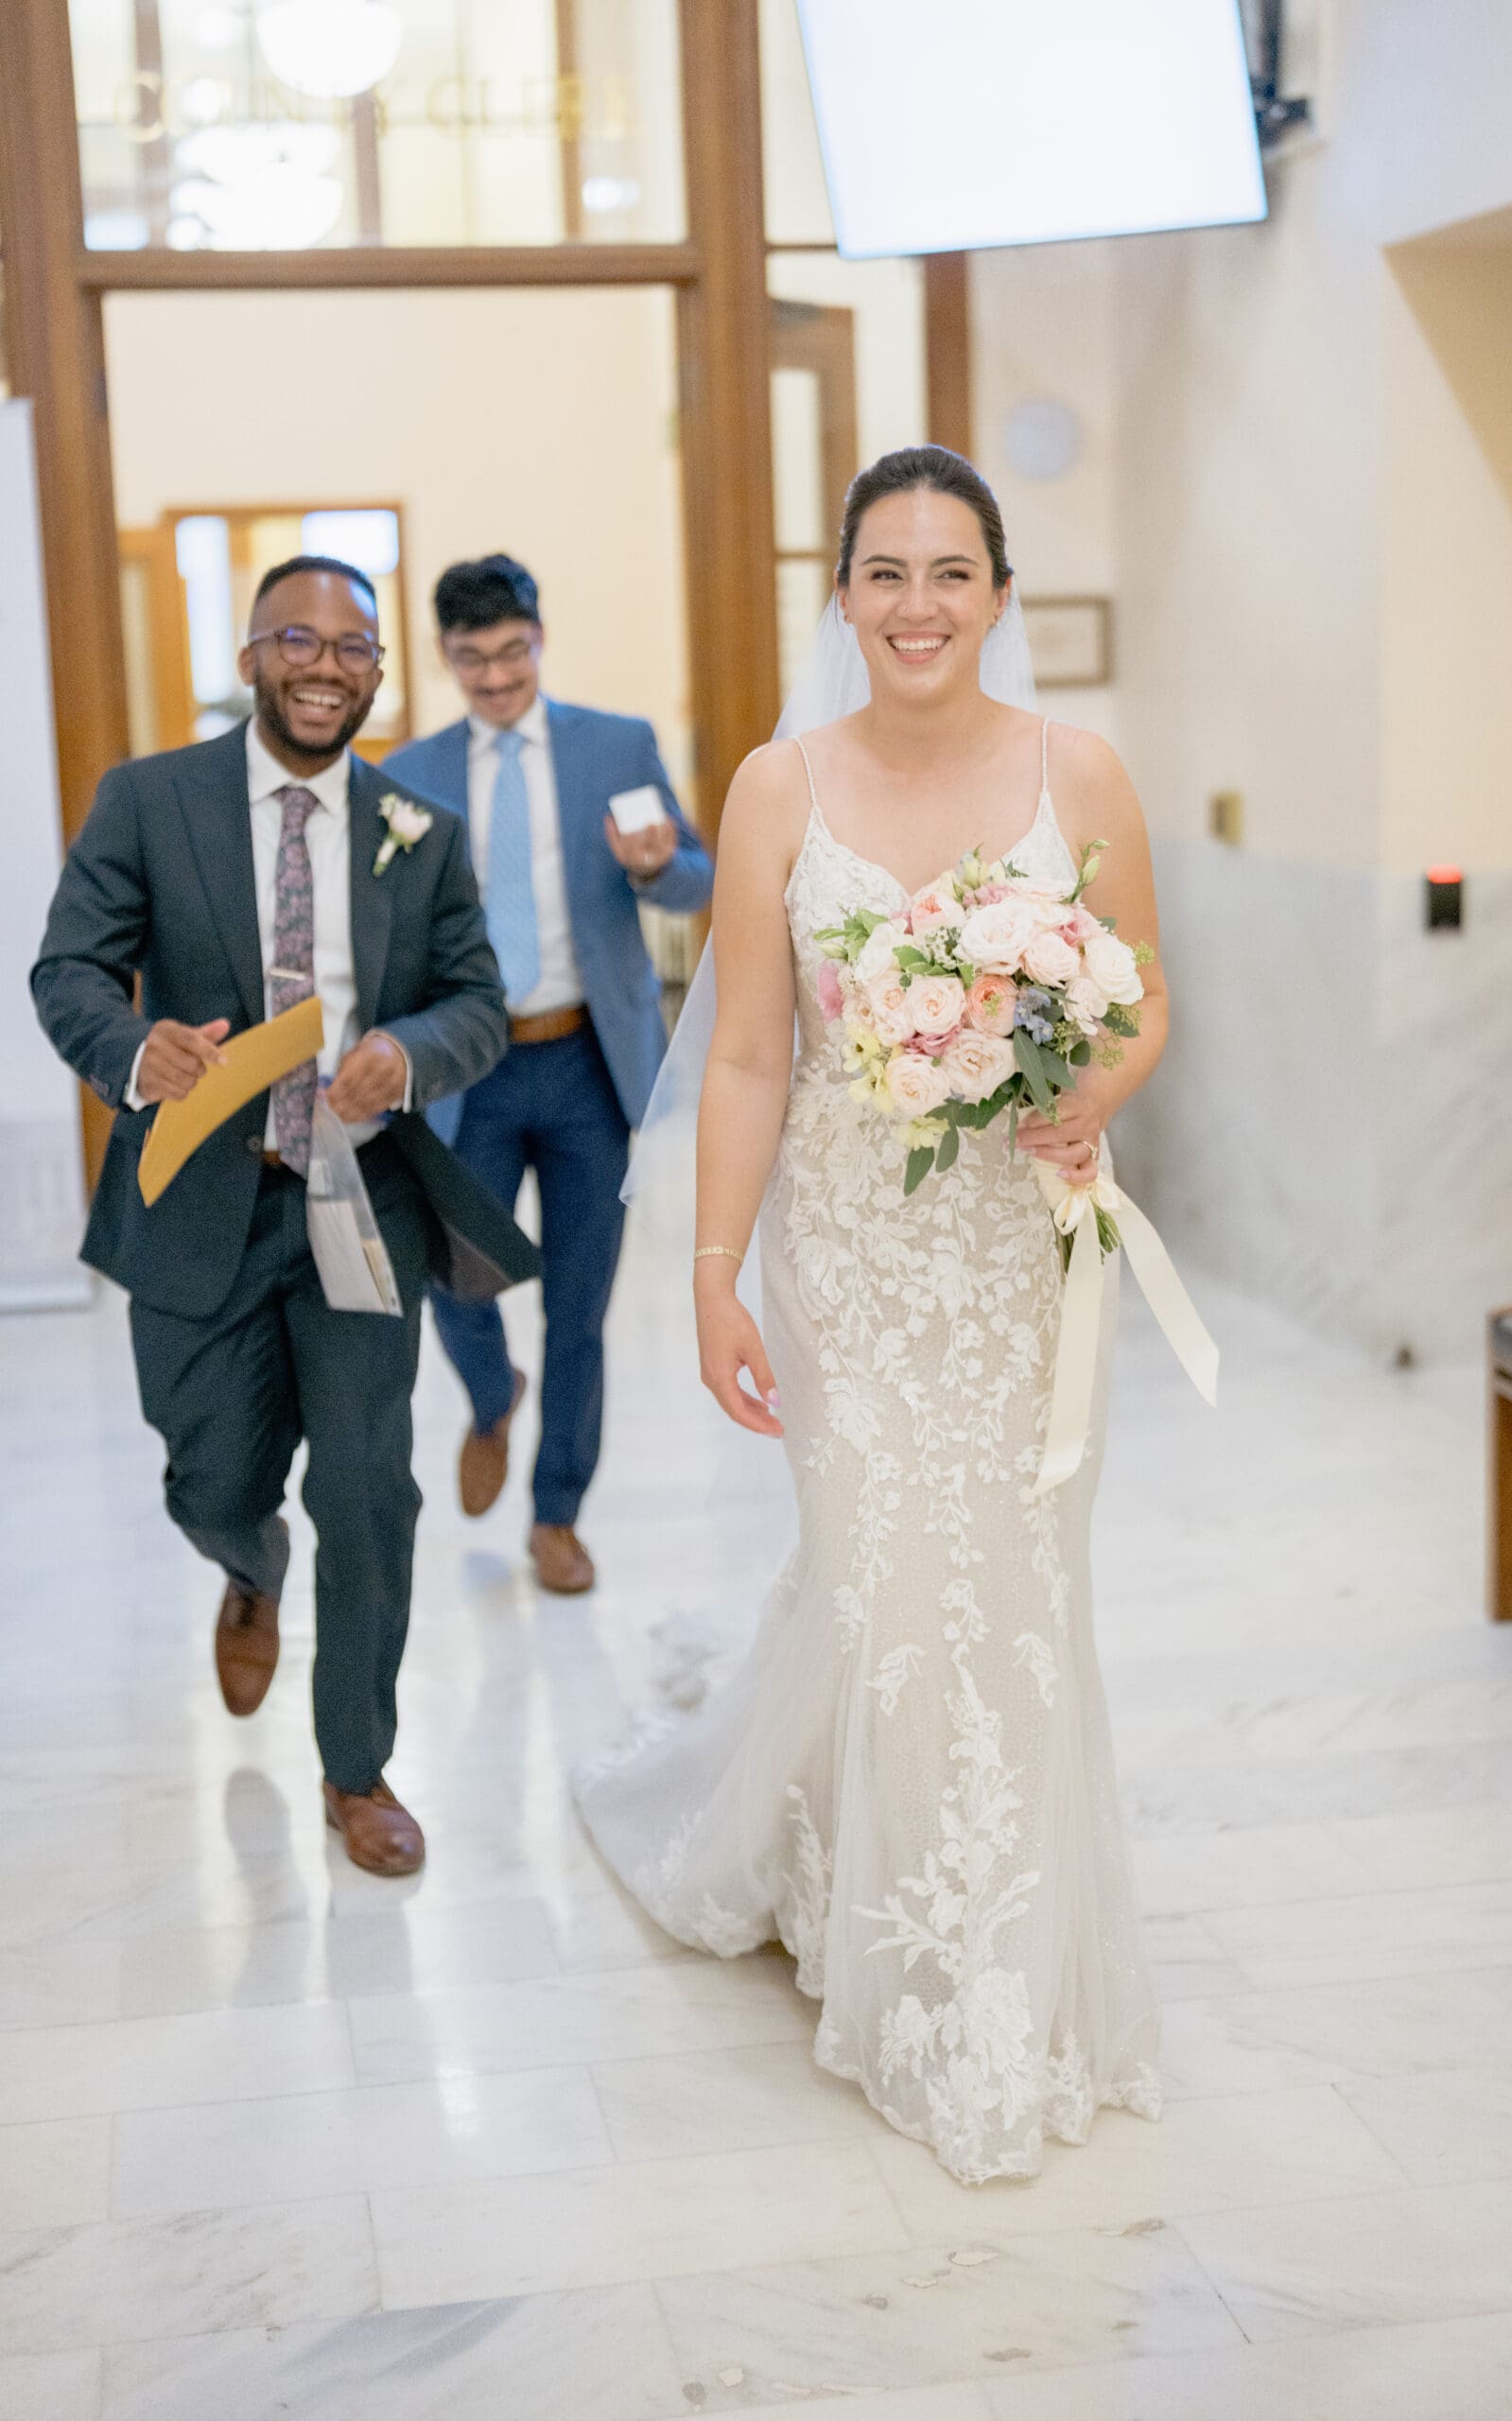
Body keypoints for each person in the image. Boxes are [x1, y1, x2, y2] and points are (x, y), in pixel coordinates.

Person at [575, 449, 1169, 2183]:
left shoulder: (1085, 773)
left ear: (998, 592)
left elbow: (1134, 1002)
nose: (917, 604)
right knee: (883, 1572)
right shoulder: (779, 786)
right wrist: (707, 1274)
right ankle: (893, 1942)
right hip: (844, 1251)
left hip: (1020, 1248)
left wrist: (1089, 1092)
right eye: (884, 572)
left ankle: (1002, 1970)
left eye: (951, 571)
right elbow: (753, 1048)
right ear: (839, 594)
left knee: (1017, 1588)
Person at [32, 554, 530, 1878]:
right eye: (298, 641)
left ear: (378, 670)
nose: (326, 665)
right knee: (214, 1470)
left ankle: (356, 1770)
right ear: (251, 657)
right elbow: (68, 966)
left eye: (354, 647)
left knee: (370, 1489)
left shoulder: (416, 826)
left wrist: (411, 1053)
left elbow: (480, 998)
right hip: (200, 1199)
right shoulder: (149, 801)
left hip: (358, 1202)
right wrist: (142, 1052)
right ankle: (246, 1562)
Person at [384, 554, 713, 1594]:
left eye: (512, 652)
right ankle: (491, 1395)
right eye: (472, 659)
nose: (495, 678)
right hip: (465, 1068)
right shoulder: (407, 775)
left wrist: (658, 864)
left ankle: (557, 1513)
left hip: (584, 1066)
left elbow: (697, 878)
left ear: (539, 638)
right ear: (444, 655)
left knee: (580, 1308)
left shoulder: (616, 745)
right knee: (450, 1273)